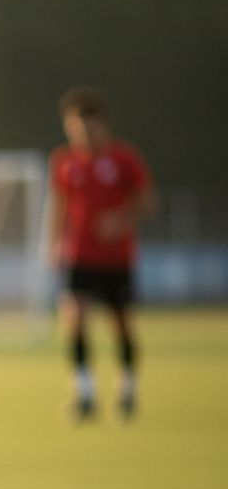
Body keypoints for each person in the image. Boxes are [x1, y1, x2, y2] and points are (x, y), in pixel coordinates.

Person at [49, 87, 155, 422]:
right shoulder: (64, 162)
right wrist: (54, 243)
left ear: (102, 125)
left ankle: (127, 391)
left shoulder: (124, 159)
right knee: (74, 320)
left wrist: (120, 219)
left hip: (116, 258)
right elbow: (60, 205)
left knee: (121, 325)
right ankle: (85, 395)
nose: (82, 134)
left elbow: (147, 202)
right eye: (74, 128)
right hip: (79, 256)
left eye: (87, 126)